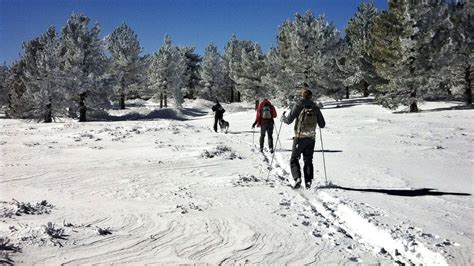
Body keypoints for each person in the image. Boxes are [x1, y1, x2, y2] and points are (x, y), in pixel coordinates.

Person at [281, 85, 325, 189]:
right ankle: (308, 181)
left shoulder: (298, 105)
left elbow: (288, 120)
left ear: (302, 96)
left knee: (294, 159)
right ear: (311, 97)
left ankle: (297, 179)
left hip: (299, 137)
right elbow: (322, 124)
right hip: (311, 138)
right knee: (308, 160)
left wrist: (283, 118)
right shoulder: (315, 107)